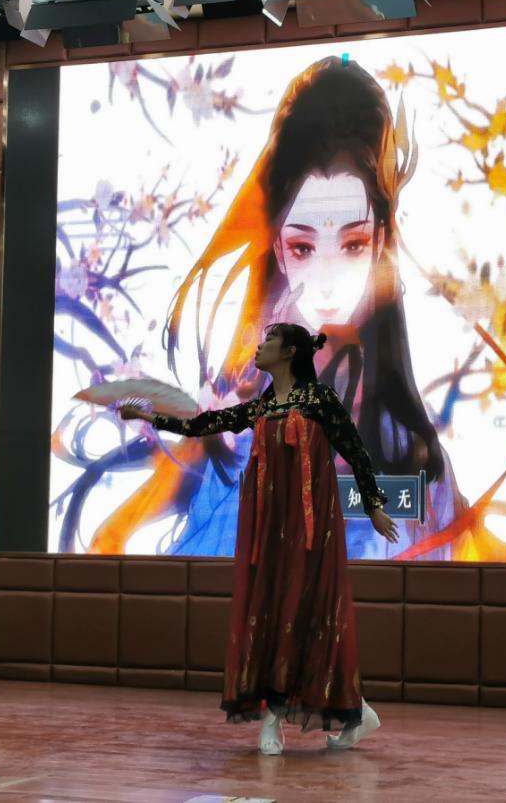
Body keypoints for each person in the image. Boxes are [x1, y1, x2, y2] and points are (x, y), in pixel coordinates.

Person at [82, 56, 467, 560]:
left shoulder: (412, 453)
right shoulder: (241, 418)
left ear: (378, 243)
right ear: (280, 251)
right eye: (304, 247)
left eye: (351, 244)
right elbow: (109, 536)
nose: (327, 279)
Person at [120, 323, 396, 754]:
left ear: (288, 352)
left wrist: (374, 505)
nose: (259, 347)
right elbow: (204, 425)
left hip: (310, 530)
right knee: (268, 611)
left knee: (306, 614)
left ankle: (329, 711)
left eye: (268, 341)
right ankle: (302, 715)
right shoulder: (263, 405)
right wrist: (149, 417)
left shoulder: (319, 400)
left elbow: (355, 450)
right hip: (269, 530)